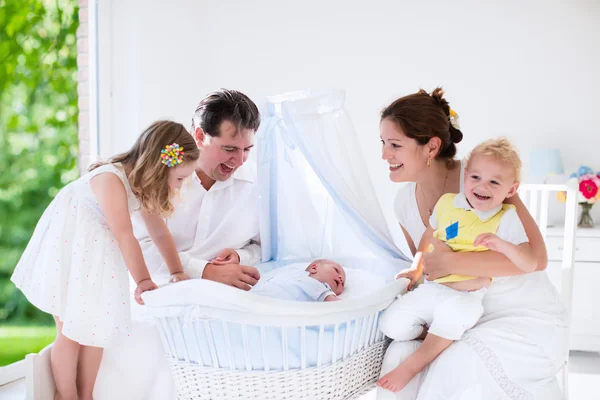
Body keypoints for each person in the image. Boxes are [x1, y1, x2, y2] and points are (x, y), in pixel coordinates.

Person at [377, 88, 568, 400]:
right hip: (458, 317)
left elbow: (537, 258)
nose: (385, 154)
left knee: (457, 365)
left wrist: (454, 263)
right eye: (383, 144)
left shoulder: (481, 175)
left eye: (395, 145)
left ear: (431, 146)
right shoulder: (404, 204)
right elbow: (429, 271)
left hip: (518, 317)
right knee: (398, 354)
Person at [11, 120, 199, 400]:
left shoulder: (143, 187)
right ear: (161, 166)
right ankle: (66, 394)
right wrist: (144, 281)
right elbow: (125, 234)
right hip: (71, 247)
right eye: (181, 178)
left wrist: (177, 271)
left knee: (96, 330)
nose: (182, 184)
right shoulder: (110, 178)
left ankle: (86, 394)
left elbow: (158, 232)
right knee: (70, 332)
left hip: (97, 251)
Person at [377, 138, 537, 393]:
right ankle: (437, 335)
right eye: (475, 177)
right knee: (391, 324)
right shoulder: (448, 204)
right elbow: (429, 236)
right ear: (465, 177)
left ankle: (413, 365)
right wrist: (416, 268)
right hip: (434, 289)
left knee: (459, 314)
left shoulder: (505, 216)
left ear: (511, 189)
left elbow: (529, 261)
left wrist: (501, 244)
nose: (482, 186)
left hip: (467, 293)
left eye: (494, 182)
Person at [133, 88, 262, 289]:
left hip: (228, 300)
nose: (240, 160)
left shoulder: (256, 186)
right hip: (162, 294)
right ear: (200, 136)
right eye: (229, 149)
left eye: (246, 150)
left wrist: (240, 256)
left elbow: (266, 248)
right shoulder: (162, 177)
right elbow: (139, 247)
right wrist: (204, 271)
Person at [252, 259, 346, 301]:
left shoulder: (320, 292)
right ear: (314, 268)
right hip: (262, 294)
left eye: (343, 283)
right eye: (337, 270)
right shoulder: (303, 278)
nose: (341, 278)